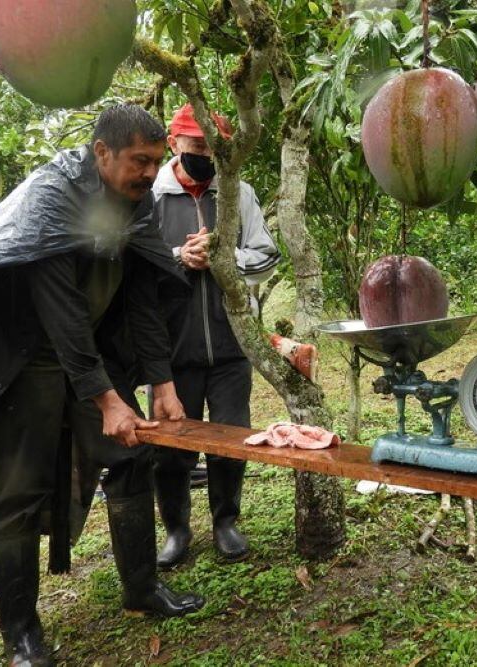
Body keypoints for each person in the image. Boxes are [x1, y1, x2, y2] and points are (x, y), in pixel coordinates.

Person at [0, 105, 205, 666]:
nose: (148, 173)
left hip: (91, 349)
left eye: (155, 161)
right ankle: (21, 637)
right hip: (25, 358)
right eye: (138, 161)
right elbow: (62, 310)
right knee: (17, 493)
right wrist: (108, 399)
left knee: (130, 455)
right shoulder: (51, 195)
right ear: (101, 153)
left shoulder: (135, 205)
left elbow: (142, 297)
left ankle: (142, 589)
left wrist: (162, 385)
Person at [151, 104, 281, 567]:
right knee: (170, 446)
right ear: (175, 143)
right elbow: (133, 263)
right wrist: (176, 257)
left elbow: (267, 255)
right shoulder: (154, 195)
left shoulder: (237, 192)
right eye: (196, 145)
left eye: (212, 146)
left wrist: (225, 256)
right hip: (170, 347)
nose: (205, 153)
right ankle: (176, 531)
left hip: (230, 344)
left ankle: (226, 522)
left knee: (232, 435)